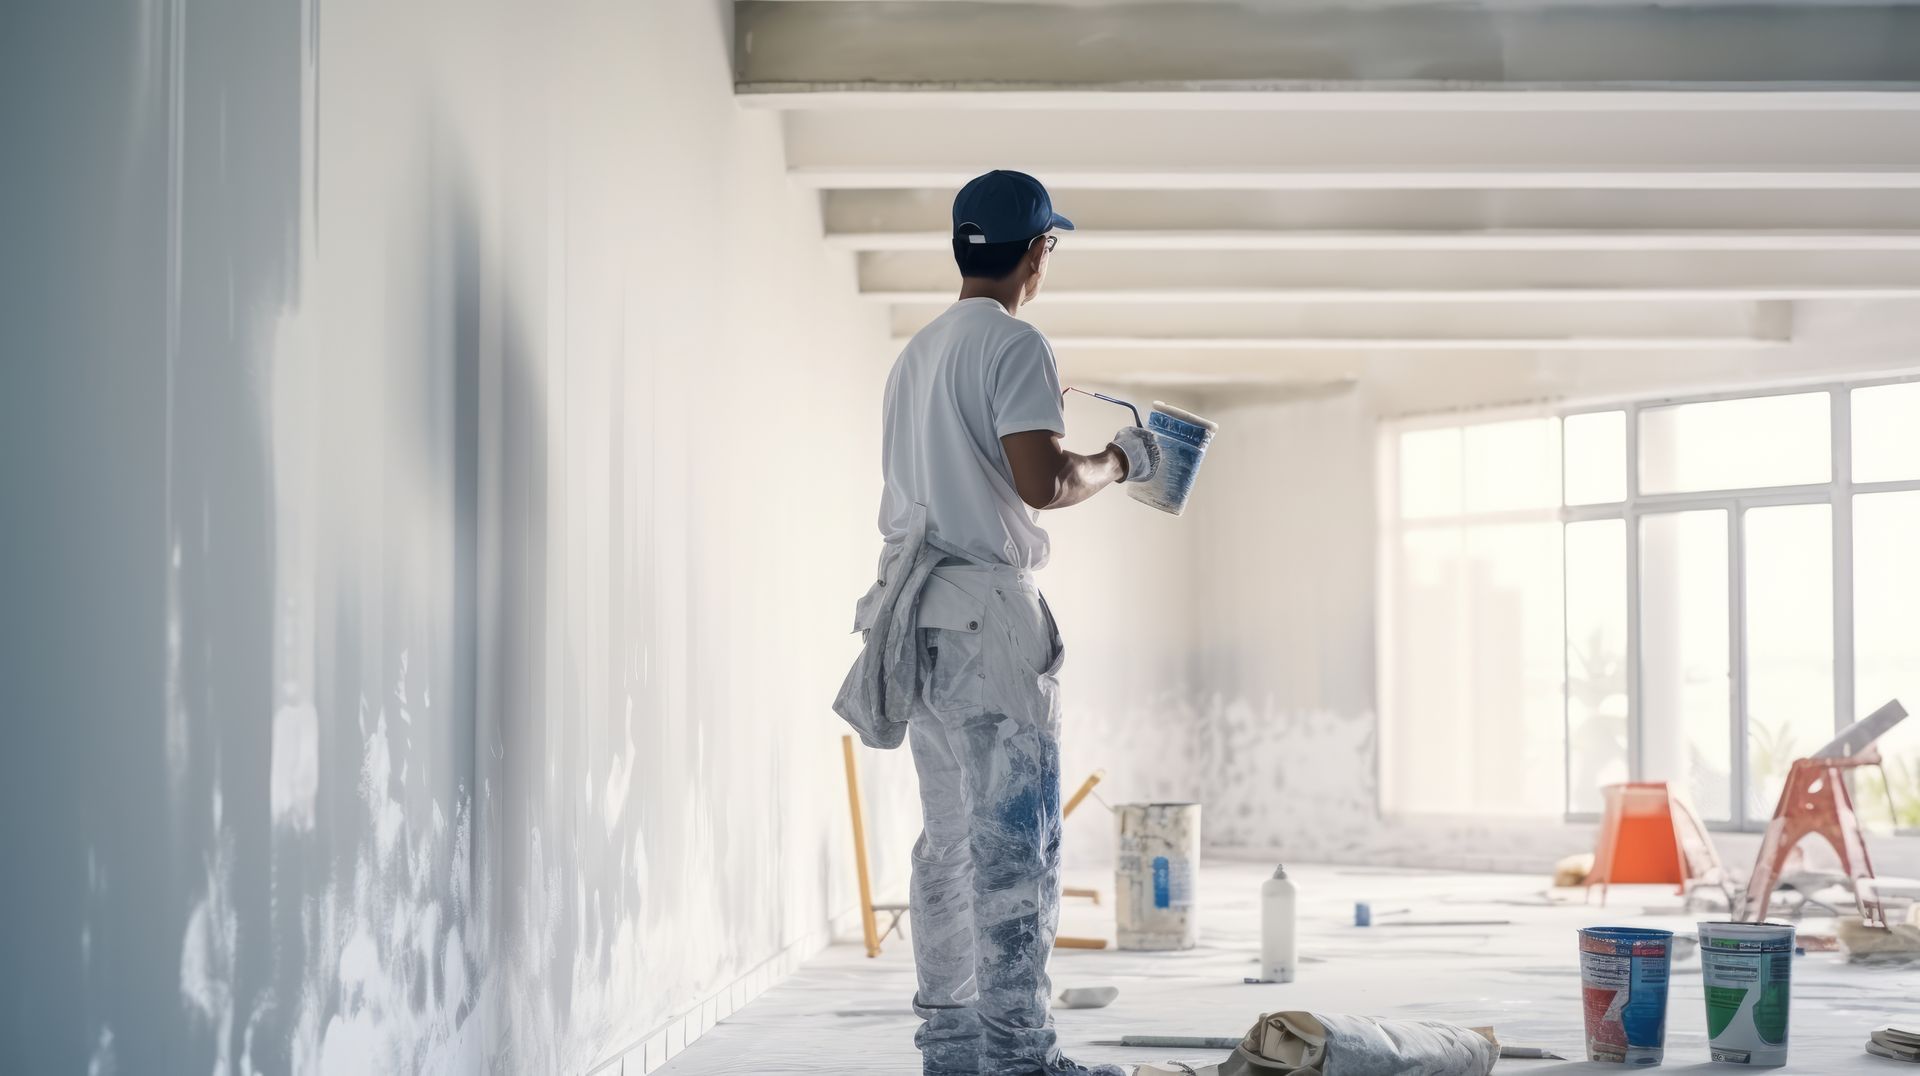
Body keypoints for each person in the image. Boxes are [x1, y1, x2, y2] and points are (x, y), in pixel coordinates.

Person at [834, 170, 1158, 1076]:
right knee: (1018, 844)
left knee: (947, 843)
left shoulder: (916, 354)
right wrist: (1121, 460)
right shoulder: (1015, 345)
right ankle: (1020, 1057)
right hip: (987, 622)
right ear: (1039, 252)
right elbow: (1043, 483)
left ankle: (950, 1048)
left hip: (917, 623)